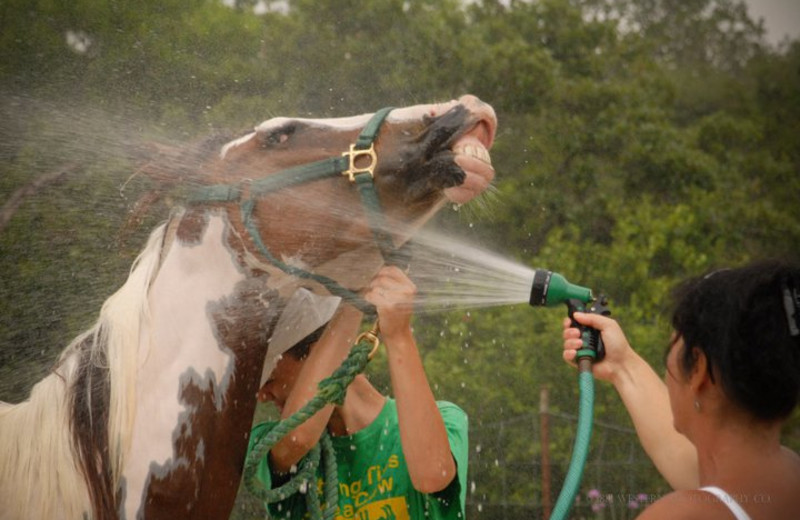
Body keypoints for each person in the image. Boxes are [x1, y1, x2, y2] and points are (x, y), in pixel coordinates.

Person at [562, 260, 800, 520]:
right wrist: (621, 365)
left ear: (697, 367)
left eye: (674, 342)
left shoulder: (681, 515)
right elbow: (689, 464)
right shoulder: (787, 473)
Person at [247, 266, 469, 520]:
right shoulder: (264, 444)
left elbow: (431, 475)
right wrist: (353, 299)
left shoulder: (444, 419)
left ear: (317, 356)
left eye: (269, 379)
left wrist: (398, 336)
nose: (261, 395)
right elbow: (298, 436)